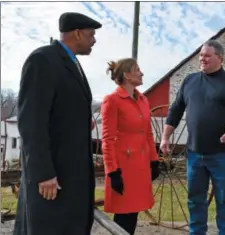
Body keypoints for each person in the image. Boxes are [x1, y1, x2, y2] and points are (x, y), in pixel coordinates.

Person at [14, 12, 102, 235]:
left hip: (71, 174)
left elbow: (61, 111)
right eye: (92, 34)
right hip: (52, 176)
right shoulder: (43, 60)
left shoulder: (73, 65)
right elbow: (31, 121)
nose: (94, 40)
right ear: (78, 33)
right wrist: (43, 172)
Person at [161, 40, 225, 235]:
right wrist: (165, 137)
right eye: (201, 55)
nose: (202, 58)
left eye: (207, 56)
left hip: (222, 155)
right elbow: (175, 110)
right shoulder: (189, 81)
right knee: (195, 200)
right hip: (194, 154)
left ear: (220, 58)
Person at [101, 58, 160, 235]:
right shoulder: (112, 100)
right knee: (124, 215)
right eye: (137, 70)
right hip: (123, 167)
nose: (141, 73)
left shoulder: (143, 100)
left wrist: (154, 161)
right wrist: (112, 171)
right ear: (127, 75)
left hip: (140, 165)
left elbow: (148, 133)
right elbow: (107, 139)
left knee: (133, 212)